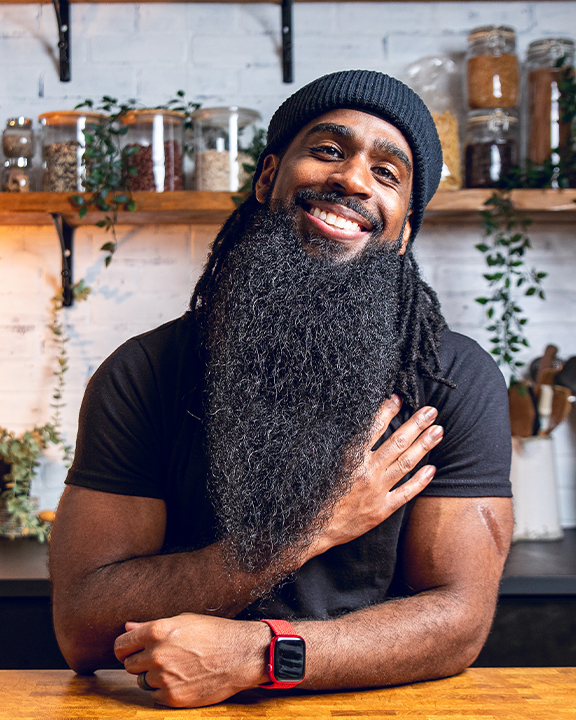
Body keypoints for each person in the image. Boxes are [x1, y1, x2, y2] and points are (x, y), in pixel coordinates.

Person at [49, 70, 513, 709]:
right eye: (329, 151)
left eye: (387, 172)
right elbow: (83, 630)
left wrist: (261, 655)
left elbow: (460, 623)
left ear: (405, 228)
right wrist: (309, 529)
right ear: (268, 178)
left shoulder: (454, 380)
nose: (352, 179)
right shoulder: (145, 372)